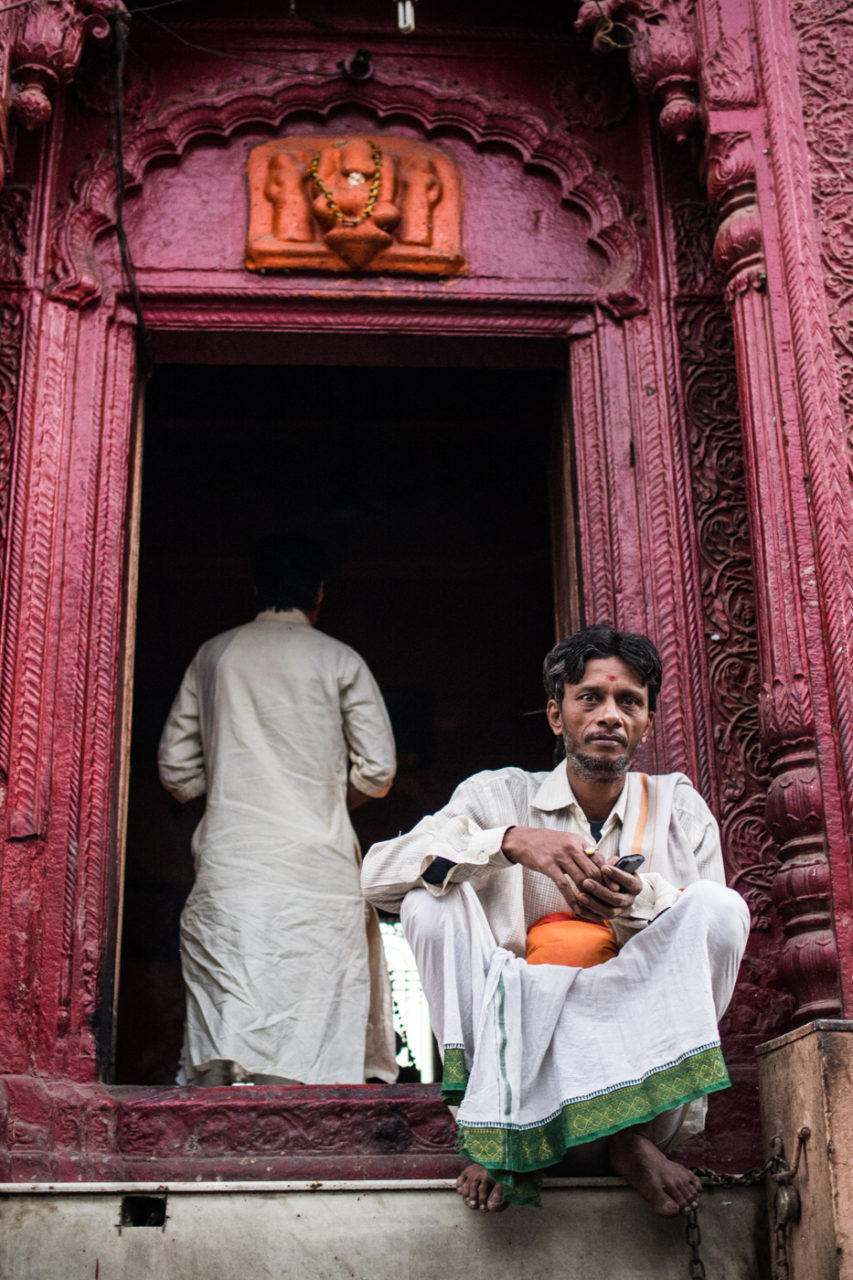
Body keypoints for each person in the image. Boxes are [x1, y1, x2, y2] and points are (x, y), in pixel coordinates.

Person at [361, 624, 749, 1213]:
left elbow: (705, 938)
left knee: (721, 908)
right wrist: (510, 842)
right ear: (555, 715)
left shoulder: (677, 806)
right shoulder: (497, 798)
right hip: (512, 1041)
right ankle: (493, 1126)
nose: (610, 715)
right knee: (424, 899)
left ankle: (630, 1136)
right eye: (589, 698)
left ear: (646, 722)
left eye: (628, 702)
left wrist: (633, 906)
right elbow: (376, 876)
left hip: (633, 1037)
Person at [159, 535, 398, 1087]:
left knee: (231, 1011)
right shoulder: (339, 658)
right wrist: (324, 797)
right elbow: (378, 772)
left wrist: (231, 788)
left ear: (254, 589)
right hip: (318, 868)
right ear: (318, 592)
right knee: (317, 1015)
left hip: (233, 861)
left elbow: (175, 770)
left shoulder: (215, 654)